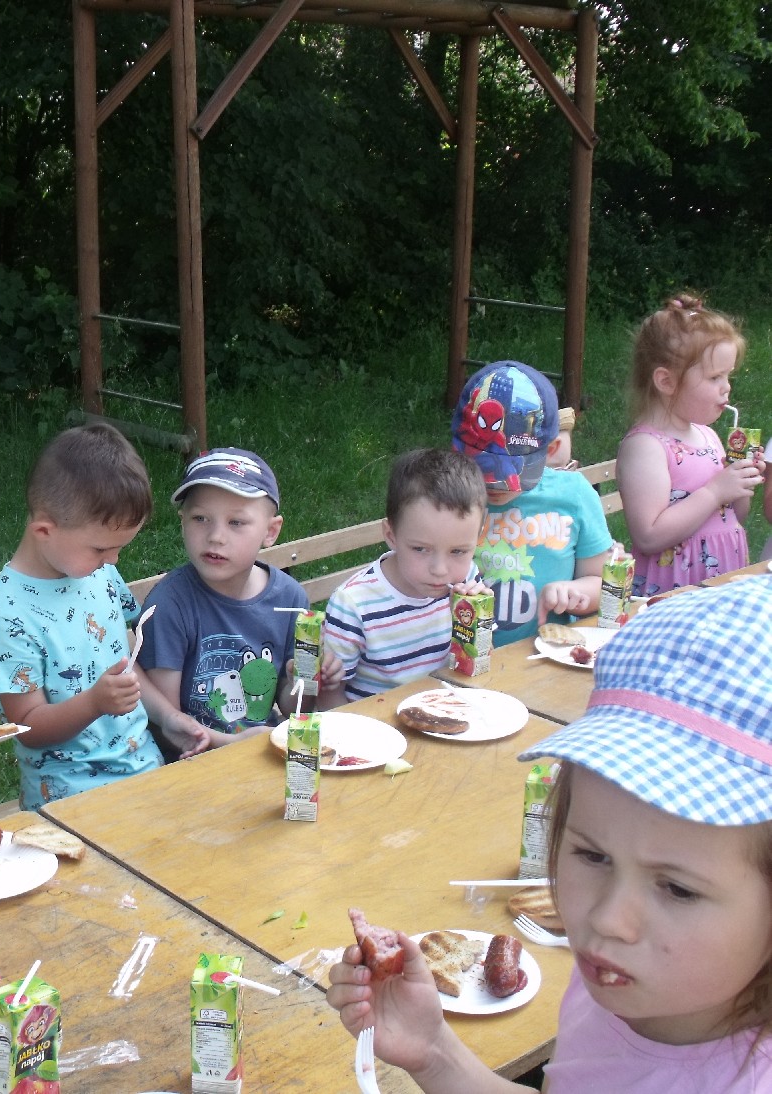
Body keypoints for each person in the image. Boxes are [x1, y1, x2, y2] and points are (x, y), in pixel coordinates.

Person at [327, 578, 772, 1091]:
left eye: (678, 888)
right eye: (593, 855)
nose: (606, 918)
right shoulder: (624, 983)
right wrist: (434, 1052)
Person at [0, 423, 185, 809]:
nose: (113, 560)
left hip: (145, 770)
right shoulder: (7, 617)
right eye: (101, 549)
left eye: (119, 548)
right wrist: (93, 703)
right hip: (70, 797)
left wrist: (169, 718)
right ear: (44, 531)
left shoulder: (97, 574)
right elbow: (27, 727)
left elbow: (124, 668)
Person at [138, 447, 337, 758]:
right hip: (197, 765)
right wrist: (232, 744)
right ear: (182, 521)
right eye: (200, 518)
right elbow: (167, 727)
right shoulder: (169, 605)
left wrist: (306, 679)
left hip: (266, 750)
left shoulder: (290, 599)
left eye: (236, 522)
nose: (216, 536)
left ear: (271, 531)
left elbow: (294, 708)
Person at [452, 360, 613, 646]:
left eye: (510, 473)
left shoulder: (573, 495)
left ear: (551, 451)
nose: (495, 485)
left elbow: (602, 581)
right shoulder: (446, 495)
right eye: (481, 468)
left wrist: (574, 592)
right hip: (462, 654)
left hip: (544, 656)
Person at [320, 448, 488, 707]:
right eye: (420, 549)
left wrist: (477, 622)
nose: (440, 569)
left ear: (479, 536)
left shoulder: (467, 580)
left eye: (458, 551)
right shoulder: (354, 604)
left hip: (449, 713)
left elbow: (478, 665)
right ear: (391, 536)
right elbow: (329, 696)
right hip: (375, 724)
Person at [617, 294, 761, 595]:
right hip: (674, 594)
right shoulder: (646, 447)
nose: (727, 387)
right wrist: (715, 491)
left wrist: (740, 482)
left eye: (728, 376)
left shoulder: (708, 436)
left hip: (720, 583)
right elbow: (648, 535)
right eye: (715, 377)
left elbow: (734, 516)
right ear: (666, 382)